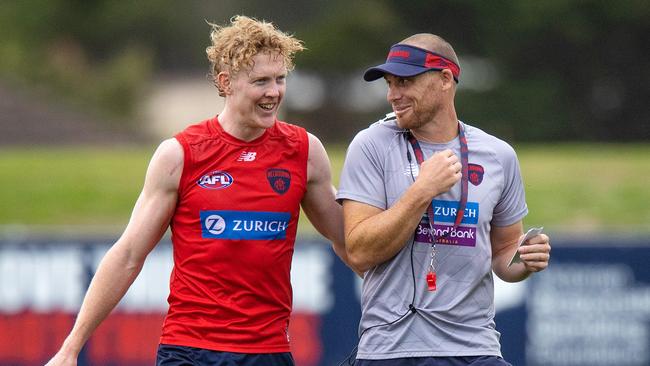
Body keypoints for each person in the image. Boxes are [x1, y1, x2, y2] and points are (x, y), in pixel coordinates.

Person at [46, 15, 351, 366]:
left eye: (280, 79)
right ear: (226, 82)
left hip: (266, 351)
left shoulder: (304, 151)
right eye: (261, 81)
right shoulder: (180, 154)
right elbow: (129, 254)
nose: (274, 92)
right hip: (189, 350)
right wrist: (70, 348)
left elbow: (348, 239)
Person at [336, 33, 551, 365]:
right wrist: (422, 191)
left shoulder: (498, 155)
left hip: (475, 349)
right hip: (391, 350)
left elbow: (504, 253)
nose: (393, 95)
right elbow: (360, 251)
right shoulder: (370, 145)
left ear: (445, 80)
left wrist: (524, 259)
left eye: (405, 82)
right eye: (390, 84)